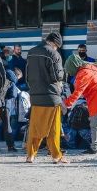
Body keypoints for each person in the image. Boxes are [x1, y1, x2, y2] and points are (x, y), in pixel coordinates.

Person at [25, 32, 67, 164]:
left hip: (35, 96)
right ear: (55, 43)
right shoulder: (54, 54)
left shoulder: (31, 52)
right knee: (53, 128)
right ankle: (56, 156)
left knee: (35, 127)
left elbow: (26, 75)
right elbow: (57, 76)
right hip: (51, 96)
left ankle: (30, 155)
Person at [0, 68, 19, 152]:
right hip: (5, 104)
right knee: (7, 125)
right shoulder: (12, 82)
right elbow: (13, 95)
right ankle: (10, 146)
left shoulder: (0, 76)